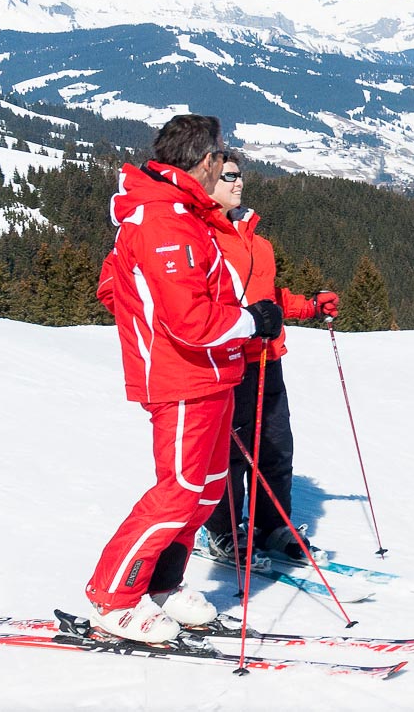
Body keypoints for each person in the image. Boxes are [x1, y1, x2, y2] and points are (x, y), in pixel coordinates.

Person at [87, 114, 283, 643]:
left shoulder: (184, 214)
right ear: (204, 161)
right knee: (178, 492)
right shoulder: (162, 222)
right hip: (181, 378)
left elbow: (118, 283)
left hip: (215, 373)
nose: (226, 163)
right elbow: (189, 320)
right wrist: (251, 321)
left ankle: (162, 584)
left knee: (204, 490)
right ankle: (113, 597)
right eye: (222, 155)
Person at [200, 154, 339, 564]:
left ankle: (272, 525)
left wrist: (310, 307)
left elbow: (268, 300)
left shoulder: (258, 242)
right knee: (230, 453)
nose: (238, 183)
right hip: (229, 359)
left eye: (240, 175)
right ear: (205, 182)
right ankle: (224, 531)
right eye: (228, 176)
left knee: (275, 447)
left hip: (267, 356)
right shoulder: (202, 237)